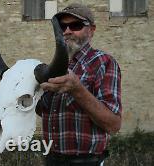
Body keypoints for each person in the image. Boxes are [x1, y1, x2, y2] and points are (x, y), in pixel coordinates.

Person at [36, 3, 122, 166]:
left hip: (85, 162)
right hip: (51, 160)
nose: (67, 31)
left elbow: (114, 125)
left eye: (75, 25)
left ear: (92, 30)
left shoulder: (103, 62)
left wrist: (77, 90)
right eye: (62, 26)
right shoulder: (55, 67)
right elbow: (48, 112)